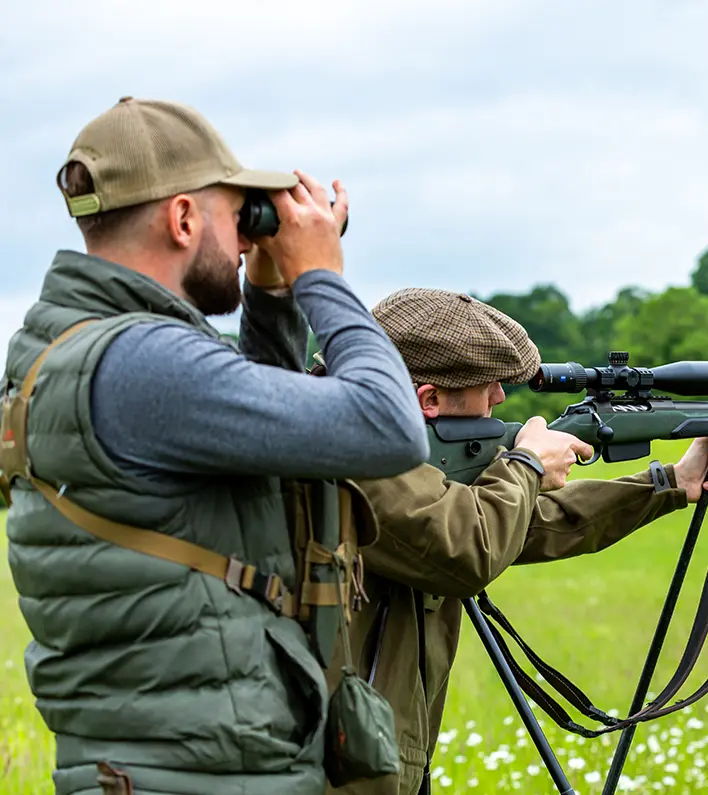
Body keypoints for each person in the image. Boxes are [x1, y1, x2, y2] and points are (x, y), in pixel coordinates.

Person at [0, 98, 430, 795]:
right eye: (239, 216)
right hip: (198, 773)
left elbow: (271, 445)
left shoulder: (64, 344)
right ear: (182, 218)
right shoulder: (143, 361)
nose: (244, 241)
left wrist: (271, 299)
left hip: (159, 759)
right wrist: (321, 274)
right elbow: (388, 424)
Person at [318, 288, 708, 795]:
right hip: (336, 764)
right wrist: (528, 464)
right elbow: (469, 547)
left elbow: (526, 523)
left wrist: (670, 483)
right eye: (486, 385)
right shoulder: (352, 451)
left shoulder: (363, 437)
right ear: (429, 400)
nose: (499, 398)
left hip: (367, 750)